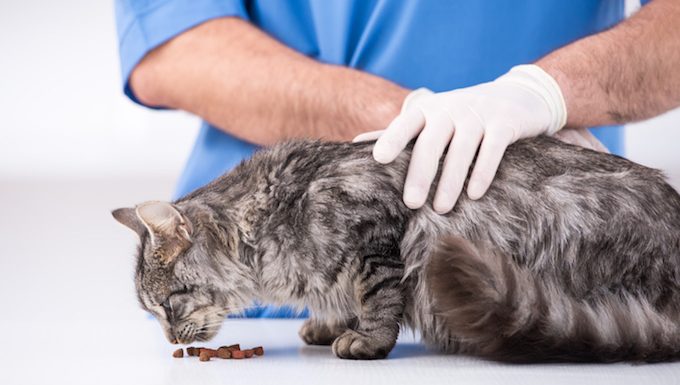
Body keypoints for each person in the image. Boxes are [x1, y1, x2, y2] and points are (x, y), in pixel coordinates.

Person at [115, 0, 680, 317]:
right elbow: (172, 48)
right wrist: (412, 126)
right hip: (273, 307)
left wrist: (548, 91)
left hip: (569, 270)